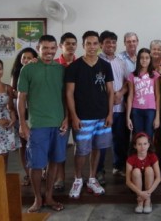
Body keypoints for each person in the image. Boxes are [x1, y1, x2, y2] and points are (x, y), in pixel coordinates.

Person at [17, 35, 68, 213]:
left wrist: (67, 117)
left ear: (57, 49)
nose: (49, 51)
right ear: (38, 48)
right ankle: (37, 198)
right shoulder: (28, 70)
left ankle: (49, 196)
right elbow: (21, 98)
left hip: (59, 123)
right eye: (45, 48)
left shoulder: (61, 69)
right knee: (36, 164)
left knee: (55, 161)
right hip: (37, 124)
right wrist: (23, 124)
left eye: (52, 48)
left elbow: (66, 96)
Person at [66, 31, 114, 199]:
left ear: (99, 45)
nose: (92, 47)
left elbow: (110, 91)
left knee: (97, 148)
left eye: (95, 43)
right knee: (81, 150)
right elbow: (69, 94)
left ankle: (92, 178)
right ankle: (78, 179)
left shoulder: (105, 66)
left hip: (102, 116)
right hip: (83, 117)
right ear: (83, 45)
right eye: (89, 44)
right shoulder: (74, 67)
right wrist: (74, 116)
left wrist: (110, 114)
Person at [96, 30, 129, 183]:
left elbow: (128, 83)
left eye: (113, 42)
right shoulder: (96, 61)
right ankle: (99, 170)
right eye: (107, 42)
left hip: (120, 108)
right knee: (102, 142)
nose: (111, 45)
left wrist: (120, 93)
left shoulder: (121, 62)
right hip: (103, 109)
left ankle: (118, 166)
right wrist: (108, 98)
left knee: (120, 140)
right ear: (101, 44)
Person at [53, 32, 78, 191]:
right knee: (60, 148)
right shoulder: (54, 64)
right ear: (61, 46)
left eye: (73, 43)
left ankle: (78, 177)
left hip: (78, 113)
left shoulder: (80, 64)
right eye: (67, 43)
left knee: (80, 147)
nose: (71, 46)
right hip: (59, 113)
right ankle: (60, 178)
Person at [10, 47, 38, 186]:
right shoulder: (16, 73)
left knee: (37, 143)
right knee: (23, 145)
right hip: (21, 113)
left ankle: (40, 171)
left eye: (29, 57)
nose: (26, 60)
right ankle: (27, 173)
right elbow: (14, 93)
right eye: (23, 58)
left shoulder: (37, 70)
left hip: (35, 113)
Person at [126, 48, 161, 139]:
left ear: (150, 59)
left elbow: (158, 96)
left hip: (150, 110)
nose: (144, 60)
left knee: (149, 136)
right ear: (138, 59)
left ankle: (149, 153)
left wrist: (157, 117)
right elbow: (130, 96)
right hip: (136, 110)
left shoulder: (155, 75)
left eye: (147, 58)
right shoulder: (132, 75)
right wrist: (127, 117)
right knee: (137, 136)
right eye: (142, 58)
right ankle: (137, 153)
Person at [125, 132, 161, 214]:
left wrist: (147, 194)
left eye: (145, 144)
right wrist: (141, 193)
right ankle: (140, 202)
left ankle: (148, 200)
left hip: (150, 187)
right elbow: (128, 181)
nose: (142, 147)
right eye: (139, 144)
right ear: (135, 146)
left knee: (149, 169)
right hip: (136, 188)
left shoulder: (153, 156)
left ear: (149, 145)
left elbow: (158, 178)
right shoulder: (131, 159)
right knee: (136, 171)